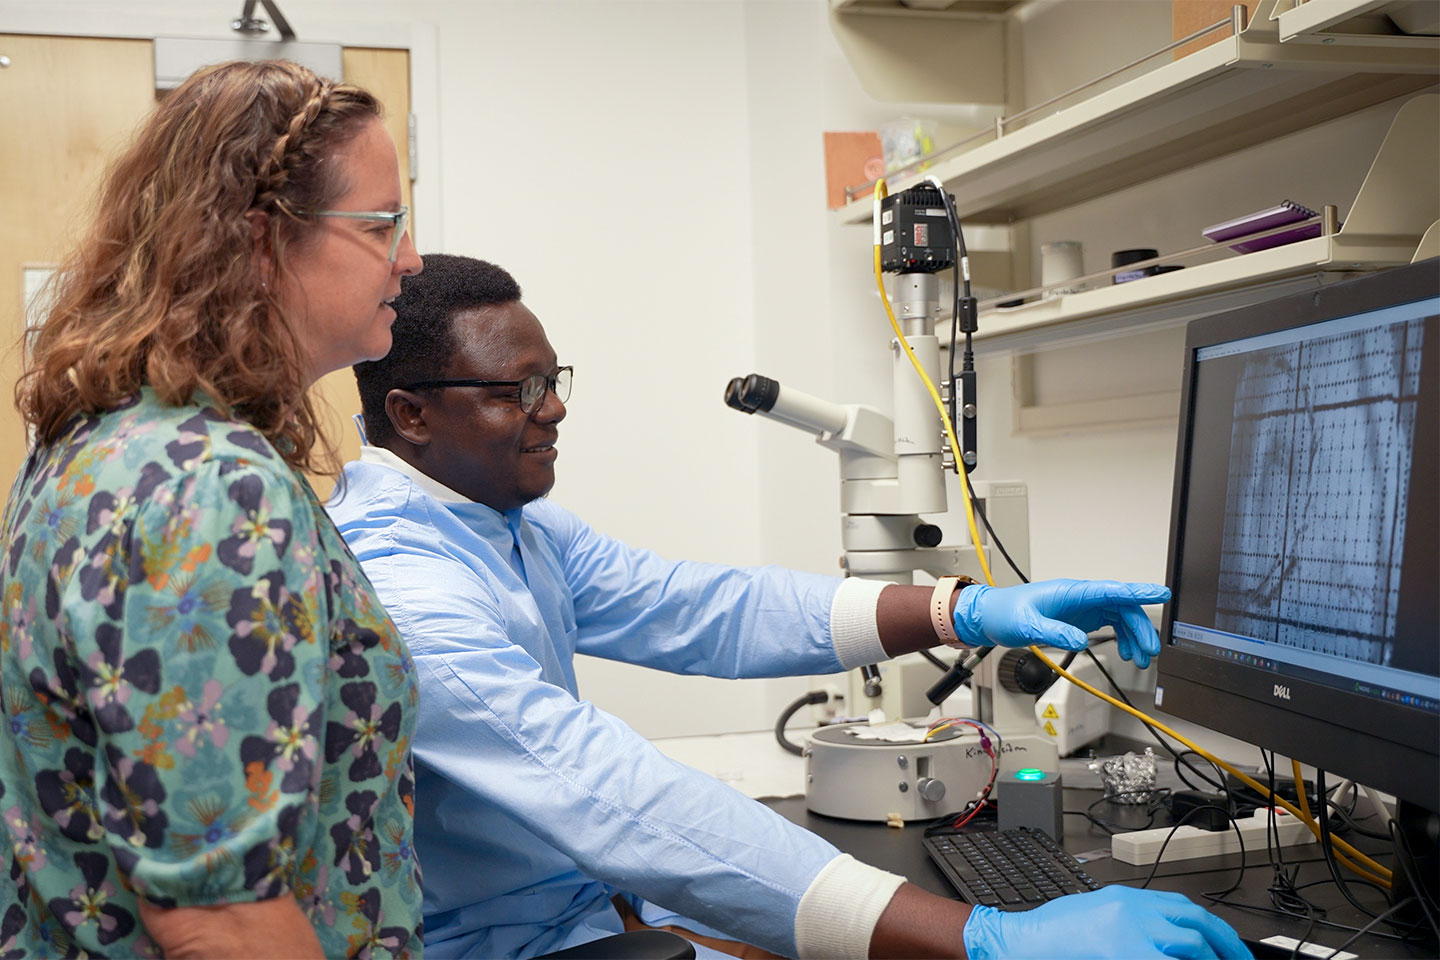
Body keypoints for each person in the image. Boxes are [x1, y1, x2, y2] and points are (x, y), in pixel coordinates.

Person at [330, 254, 1250, 960]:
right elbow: (612, 796)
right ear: (411, 415)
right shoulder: (407, 591)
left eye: (554, 379)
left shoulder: (505, 526)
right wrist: (981, 938)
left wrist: (960, 612)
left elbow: (707, 608)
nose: (555, 410)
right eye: (518, 391)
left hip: (592, 912)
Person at [0, 60, 424, 958]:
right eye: (384, 224)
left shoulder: (103, 440)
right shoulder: (209, 489)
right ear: (261, 240)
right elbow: (219, 918)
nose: (411, 259)